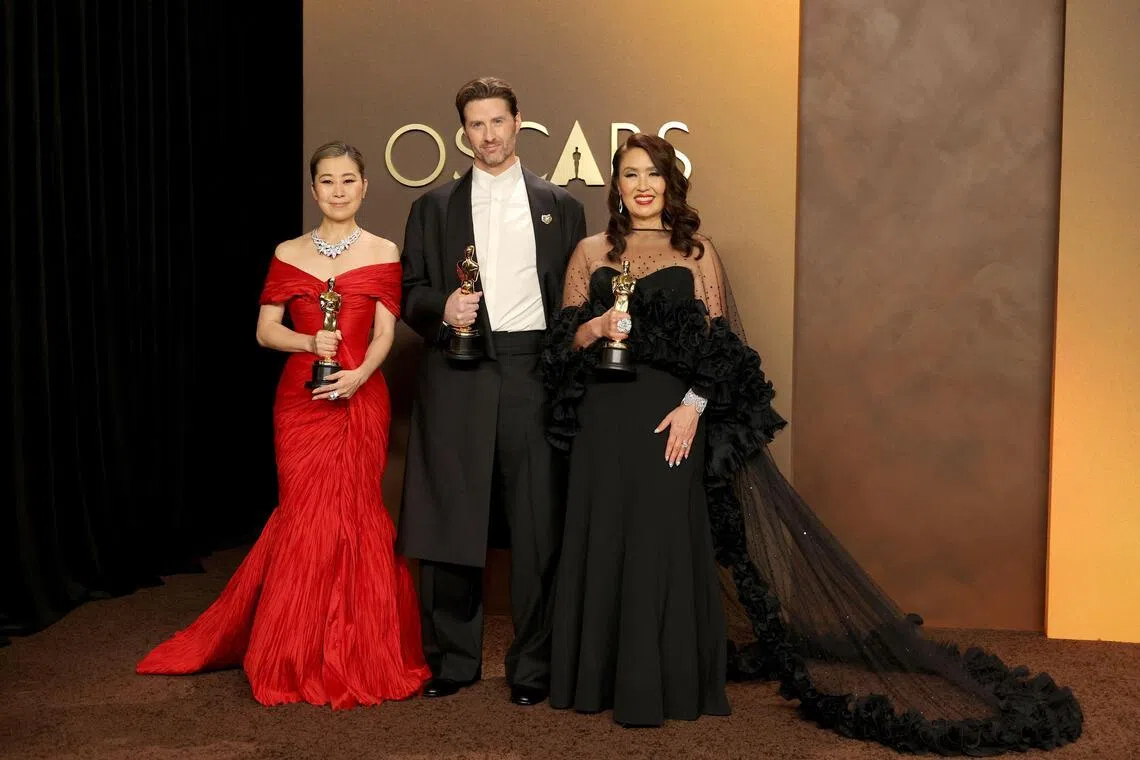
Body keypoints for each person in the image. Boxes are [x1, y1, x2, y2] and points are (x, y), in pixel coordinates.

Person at [542, 133, 1084, 753]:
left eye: (653, 174)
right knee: (604, 533)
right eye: (631, 174)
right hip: (604, 422)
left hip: (672, 420)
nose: (643, 186)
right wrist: (595, 326)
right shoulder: (589, 252)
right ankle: (595, 679)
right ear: (615, 185)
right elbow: (561, 348)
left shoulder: (697, 252)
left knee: (662, 540)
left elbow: (723, 347)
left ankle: (660, 682)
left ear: (671, 183)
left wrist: (693, 407)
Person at [137, 141, 430, 708]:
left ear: (365, 186)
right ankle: (292, 654)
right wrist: (309, 342)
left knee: (356, 511)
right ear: (313, 189)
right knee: (304, 514)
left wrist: (358, 376)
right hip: (301, 401)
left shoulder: (383, 250)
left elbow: (385, 334)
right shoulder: (288, 252)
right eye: (328, 181)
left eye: (348, 180)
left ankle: (359, 651)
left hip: (361, 397)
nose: (339, 191)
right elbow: (264, 330)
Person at [396, 76, 586, 706]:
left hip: (533, 371)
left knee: (537, 524)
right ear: (464, 133)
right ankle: (453, 659)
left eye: (498, 121)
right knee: (452, 514)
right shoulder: (433, 207)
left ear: (518, 121)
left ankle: (533, 667)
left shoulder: (561, 205)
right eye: (476, 125)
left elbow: (575, 299)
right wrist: (442, 307)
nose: (489, 135)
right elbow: (409, 291)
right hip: (457, 369)